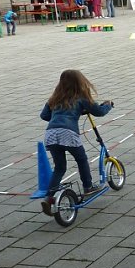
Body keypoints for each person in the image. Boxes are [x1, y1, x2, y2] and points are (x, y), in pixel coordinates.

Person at [40, 70, 113, 216]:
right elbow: (98, 111)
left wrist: (59, 117)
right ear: (80, 82)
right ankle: (88, 186)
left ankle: (49, 197)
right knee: (81, 159)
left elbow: (44, 115)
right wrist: (108, 105)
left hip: (51, 134)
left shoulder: (54, 98)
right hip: (68, 133)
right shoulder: (81, 97)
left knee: (60, 167)